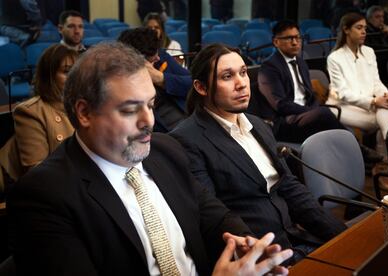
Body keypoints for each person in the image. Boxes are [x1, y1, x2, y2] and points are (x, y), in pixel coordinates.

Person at [7, 42, 293, 275]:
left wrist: (248, 248)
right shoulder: (43, 195)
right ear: (84, 113)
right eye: (131, 110)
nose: (149, 122)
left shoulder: (166, 150)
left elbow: (216, 218)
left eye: (151, 105)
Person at [170, 43, 347, 265]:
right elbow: (213, 217)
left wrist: (342, 234)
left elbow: (290, 188)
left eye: (243, 72)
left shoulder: (257, 125)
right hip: (257, 259)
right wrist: (266, 258)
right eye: (227, 76)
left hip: (295, 241)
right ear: (201, 87)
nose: (241, 83)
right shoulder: (186, 139)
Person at [326, 12, 388, 191]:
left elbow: (376, 82)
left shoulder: (369, 52)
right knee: (385, 119)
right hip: (342, 107)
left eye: (365, 28)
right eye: (359, 28)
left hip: (369, 106)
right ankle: (387, 165)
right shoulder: (334, 58)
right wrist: (374, 102)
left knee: (386, 111)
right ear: (346, 30)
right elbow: (342, 93)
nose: (364, 31)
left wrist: (386, 95)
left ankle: (383, 165)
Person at [0, 44, 78, 190]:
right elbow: (38, 174)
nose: (74, 77)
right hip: (48, 192)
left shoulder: (84, 107)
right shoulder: (30, 112)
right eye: (67, 71)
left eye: (77, 71)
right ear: (48, 76)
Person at [258, 20, 345, 143]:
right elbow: (280, 105)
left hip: (305, 115)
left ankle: (354, 151)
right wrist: (311, 111)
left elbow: (310, 95)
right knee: (324, 115)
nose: (295, 42)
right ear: (276, 42)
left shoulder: (301, 62)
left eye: (298, 38)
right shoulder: (269, 67)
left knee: (328, 128)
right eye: (289, 38)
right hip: (285, 121)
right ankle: (359, 150)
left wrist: (313, 109)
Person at [118, 27, 191, 132]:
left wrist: (162, 79)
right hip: (160, 134)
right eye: (152, 59)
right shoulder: (121, 82)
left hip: (187, 119)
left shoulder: (159, 56)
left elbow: (193, 83)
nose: (158, 58)